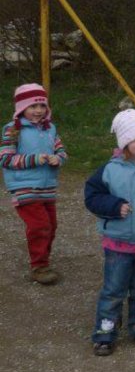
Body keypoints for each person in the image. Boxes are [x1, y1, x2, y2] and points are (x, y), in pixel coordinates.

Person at [84, 110, 135, 356]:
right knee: (114, 289)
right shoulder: (109, 169)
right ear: (124, 143)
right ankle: (105, 332)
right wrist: (113, 206)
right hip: (118, 244)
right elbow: (92, 197)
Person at [0, 83, 67, 285]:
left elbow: (61, 151)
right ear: (22, 108)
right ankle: (39, 266)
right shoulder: (13, 130)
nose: (38, 111)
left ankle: (42, 259)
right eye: (33, 107)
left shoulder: (50, 129)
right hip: (24, 187)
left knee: (51, 226)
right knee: (40, 225)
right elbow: (5, 159)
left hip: (47, 187)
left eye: (42, 106)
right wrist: (35, 159)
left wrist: (59, 159)